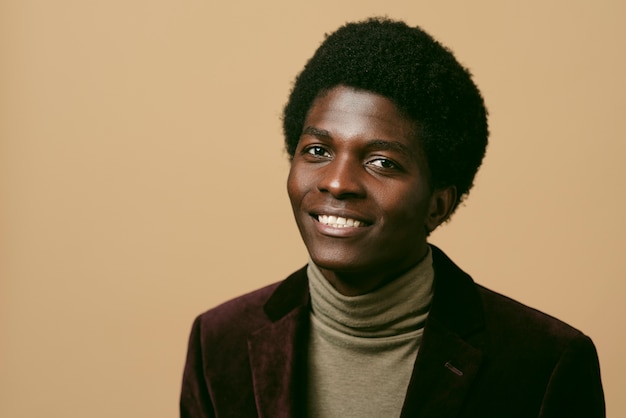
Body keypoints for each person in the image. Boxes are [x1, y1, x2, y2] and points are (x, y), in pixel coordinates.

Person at [180, 17, 605, 417]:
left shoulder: (544, 365)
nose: (336, 182)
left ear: (438, 205)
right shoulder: (219, 343)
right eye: (317, 151)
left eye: (382, 162)